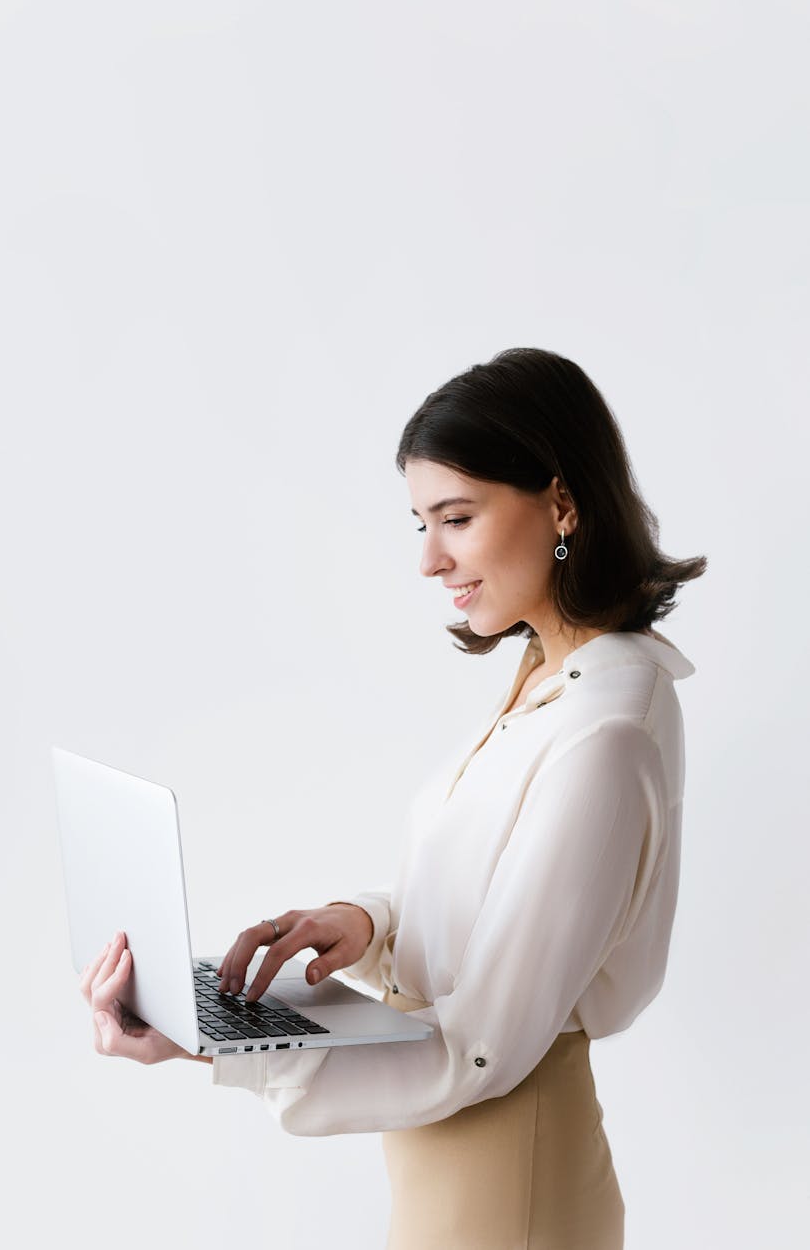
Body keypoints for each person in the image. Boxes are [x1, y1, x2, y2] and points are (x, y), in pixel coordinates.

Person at [79, 347, 706, 1249]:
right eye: (419, 521)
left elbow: (478, 1046)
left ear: (561, 503)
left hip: (505, 1177)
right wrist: (365, 926)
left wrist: (215, 1045)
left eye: (455, 517)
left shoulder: (605, 732)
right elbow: (487, 914)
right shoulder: (547, 679)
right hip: (453, 1161)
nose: (428, 559)